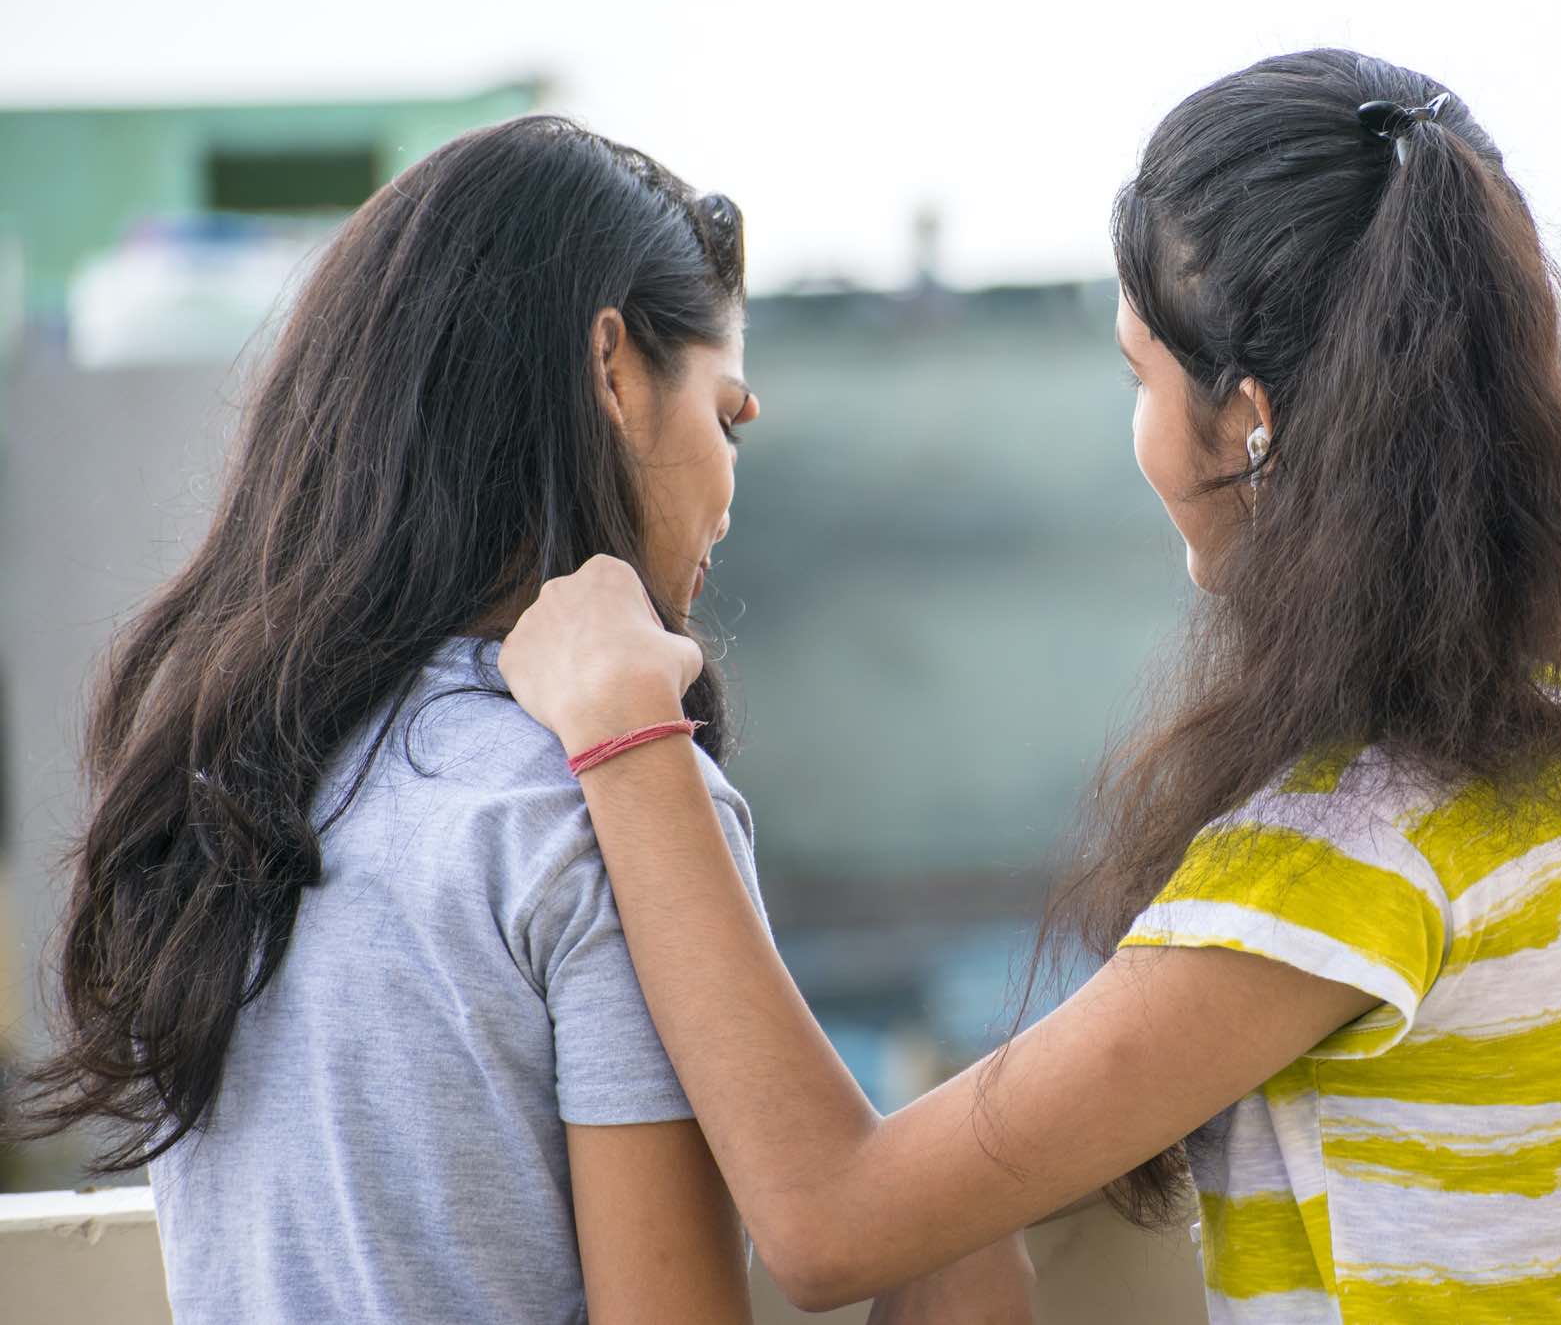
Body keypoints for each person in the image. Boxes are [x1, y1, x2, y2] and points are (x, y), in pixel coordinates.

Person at [500, 49, 1561, 1324]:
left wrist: (632, 733)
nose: (1139, 428)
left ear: (1254, 424)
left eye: (1141, 376)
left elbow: (826, 1220)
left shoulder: (1351, 854)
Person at [8, 115, 1029, 1323]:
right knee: (966, 1238)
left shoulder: (225, 782)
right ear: (611, 368)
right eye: (728, 412)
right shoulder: (600, 795)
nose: (732, 479)